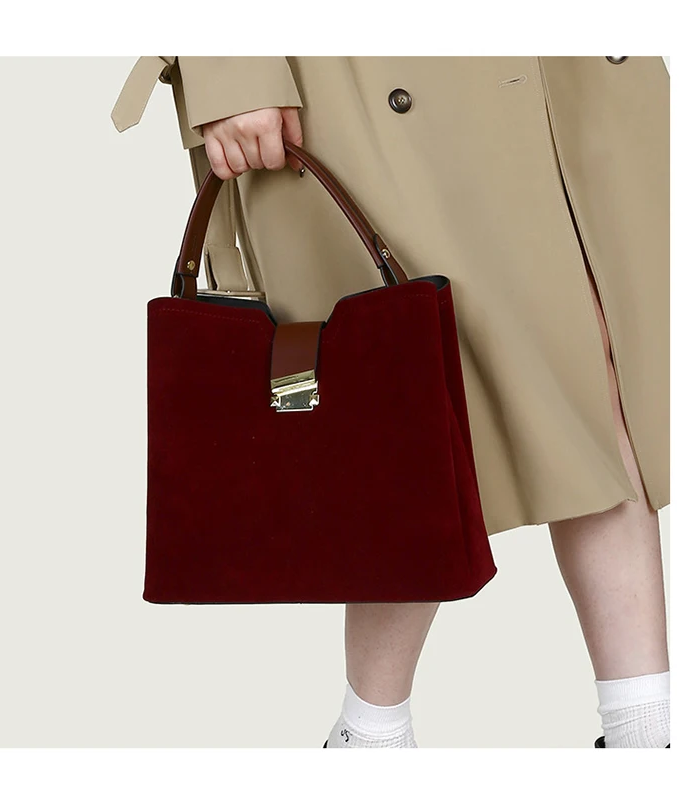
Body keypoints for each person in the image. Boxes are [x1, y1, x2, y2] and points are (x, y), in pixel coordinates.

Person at [111, 56, 670, 748]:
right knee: (403, 392)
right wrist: (230, 65)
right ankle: (370, 734)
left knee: (597, 365)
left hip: (558, 64)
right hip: (357, 74)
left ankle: (645, 733)